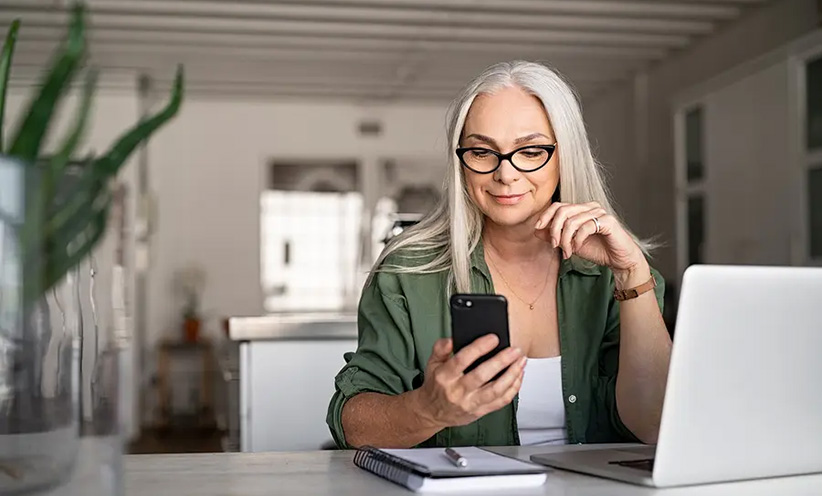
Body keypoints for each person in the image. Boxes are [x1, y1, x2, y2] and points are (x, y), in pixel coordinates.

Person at [326, 61, 672, 449]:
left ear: (565, 155)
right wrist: (428, 409)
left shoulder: (621, 277)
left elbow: (656, 424)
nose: (505, 174)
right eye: (481, 151)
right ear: (461, 163)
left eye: (530, 151)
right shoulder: (407, 271)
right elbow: (352, 425)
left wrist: (631, 275)